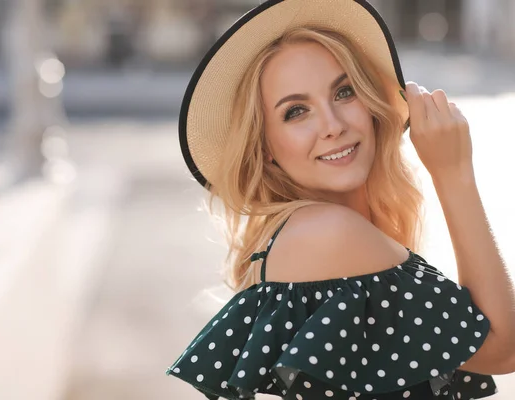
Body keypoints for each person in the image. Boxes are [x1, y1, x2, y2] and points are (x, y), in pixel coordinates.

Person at [166, 0, 514, 398]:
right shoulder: (327, 233)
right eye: (296, 112)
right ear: (265, 147)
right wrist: (454, 173)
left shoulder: (299, 234)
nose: (332, 126)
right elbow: (502, 348)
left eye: (344, 92)